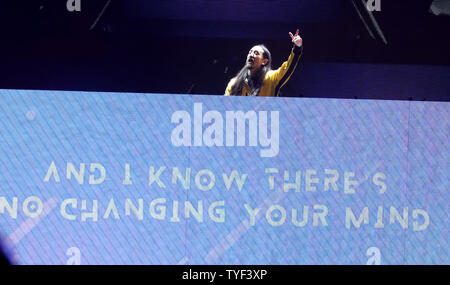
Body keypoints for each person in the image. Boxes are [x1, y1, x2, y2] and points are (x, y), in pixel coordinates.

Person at [224, 29, 303, 97]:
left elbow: (287, 68)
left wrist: (297, 48)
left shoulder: (271, 78)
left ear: (264, 61)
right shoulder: (234, 83)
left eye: (256, 53)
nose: (251, 55)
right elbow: (224, 105)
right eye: (250, 52)